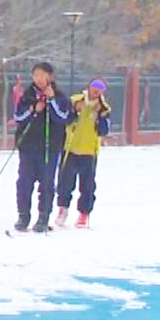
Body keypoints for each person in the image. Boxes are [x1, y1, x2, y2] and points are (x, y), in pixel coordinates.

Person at [13, 61, 74, 233]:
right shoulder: (27, 96)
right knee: (24, 182)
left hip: (50, 147)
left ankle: (43, 217)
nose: (38, 79)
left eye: (42, 75)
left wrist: (52, 100)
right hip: (28, 147)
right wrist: (34, 109)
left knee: (47, 183)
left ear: (50, 76)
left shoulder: (60, 97)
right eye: (35, 75)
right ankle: (23, 216)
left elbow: (64, 117)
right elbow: (18, 117)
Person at [56, 79, 112, 228]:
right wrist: (75, 110)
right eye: (94, 88)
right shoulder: (75, 100)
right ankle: (63, 209)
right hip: (71, 148)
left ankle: (84, 213)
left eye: (100, 89)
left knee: (87, 185)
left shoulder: (104, 108)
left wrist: (100, 116)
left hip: (89, 151)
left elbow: (104, 131)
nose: (96, 91)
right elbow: (65, 120)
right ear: (89, 87)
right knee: (65, 181)